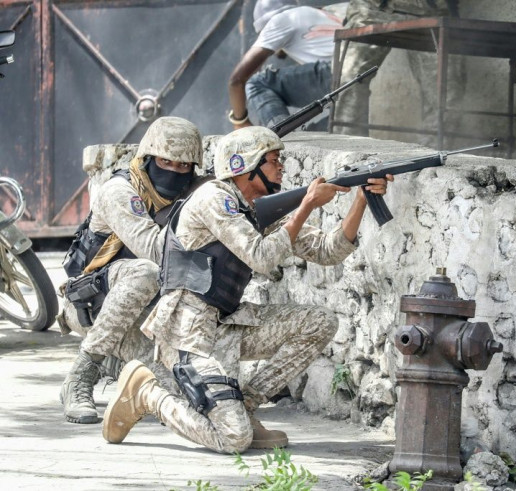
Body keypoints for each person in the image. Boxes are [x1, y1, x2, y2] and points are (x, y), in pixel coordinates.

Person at [101, 126, 392, 453]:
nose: (281, 167)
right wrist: (308, 204)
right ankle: (149, 395)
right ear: (244, 166)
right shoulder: (215, 198)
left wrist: (361, 199)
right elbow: (262, 257)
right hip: (188, 333)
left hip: (226, 325)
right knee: (234, 440)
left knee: (320, 322)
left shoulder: (256, 208)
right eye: (272, 161)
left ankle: (244, 408)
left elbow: (328, 250)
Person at [58, 116, 203, 424]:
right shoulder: (121, 191)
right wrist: (199, 210)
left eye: (184, 166)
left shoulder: (188, 192)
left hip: (146, 319)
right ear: (149, 157)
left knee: (184, 391)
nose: (175, 171)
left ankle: (113, 365)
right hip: (94, 304)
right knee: (146, 272)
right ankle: (80, 377)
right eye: (167, 162)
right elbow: (155, 250)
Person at [332, 0, 464, 141]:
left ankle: (428, 158)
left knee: (449, 94)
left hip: (431, 11)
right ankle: (349, 153)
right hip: (373, 10)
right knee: (348, 82)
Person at [227, 0, 342, 130]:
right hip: (358, 75)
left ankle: (284, 136)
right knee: (319, 132)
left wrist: (239, 120)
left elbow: (236, 80)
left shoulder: (280, 20)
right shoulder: (319, 13)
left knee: (256, 83)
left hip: (335, 72)